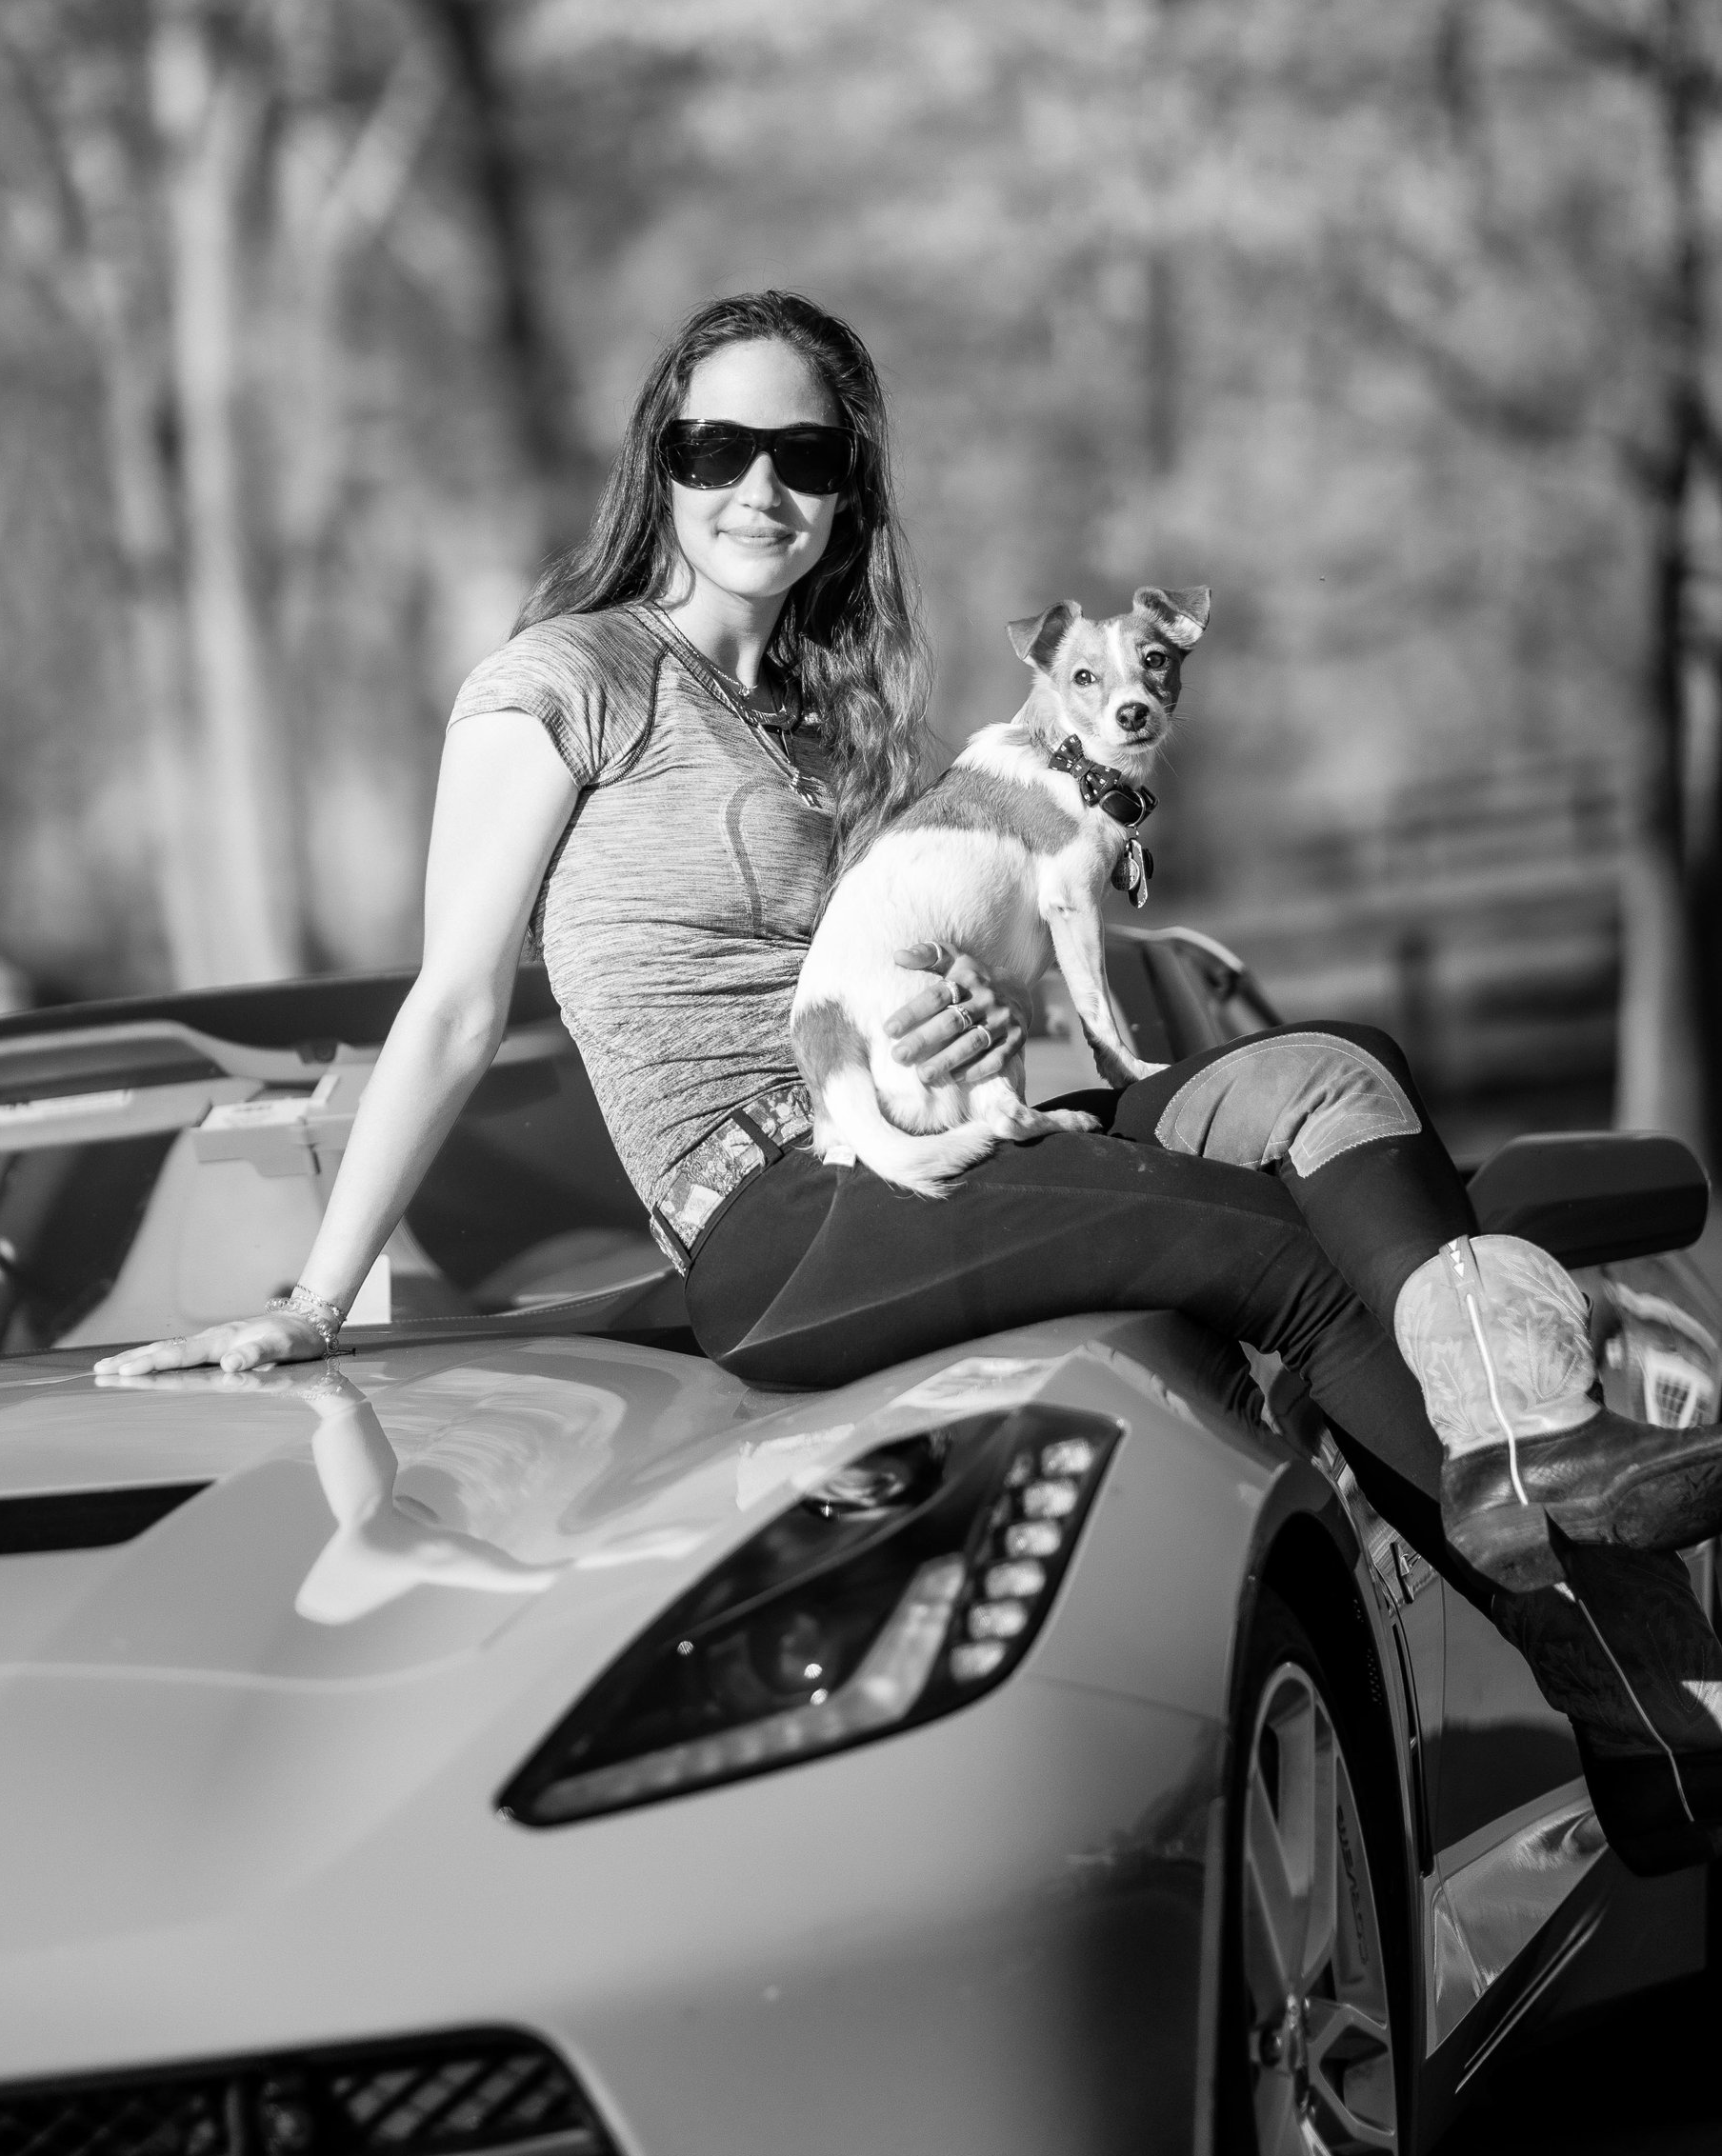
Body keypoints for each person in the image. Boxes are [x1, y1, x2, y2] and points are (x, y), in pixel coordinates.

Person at [103, 289, 1722, 1867]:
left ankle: (1536, 1460)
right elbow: (456, 1004)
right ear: (658, 460)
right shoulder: (568, 680)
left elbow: (965, 954)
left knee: (1332, 1071)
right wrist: (316, 1298)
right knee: (1277, 1254)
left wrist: (971, 1016)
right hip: (784, 1208)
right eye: (717, 446)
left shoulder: (835, 726)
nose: (760, 487)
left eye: (805, 457)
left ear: (848, 490)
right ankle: (1655, 1716)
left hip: (939, 1129)